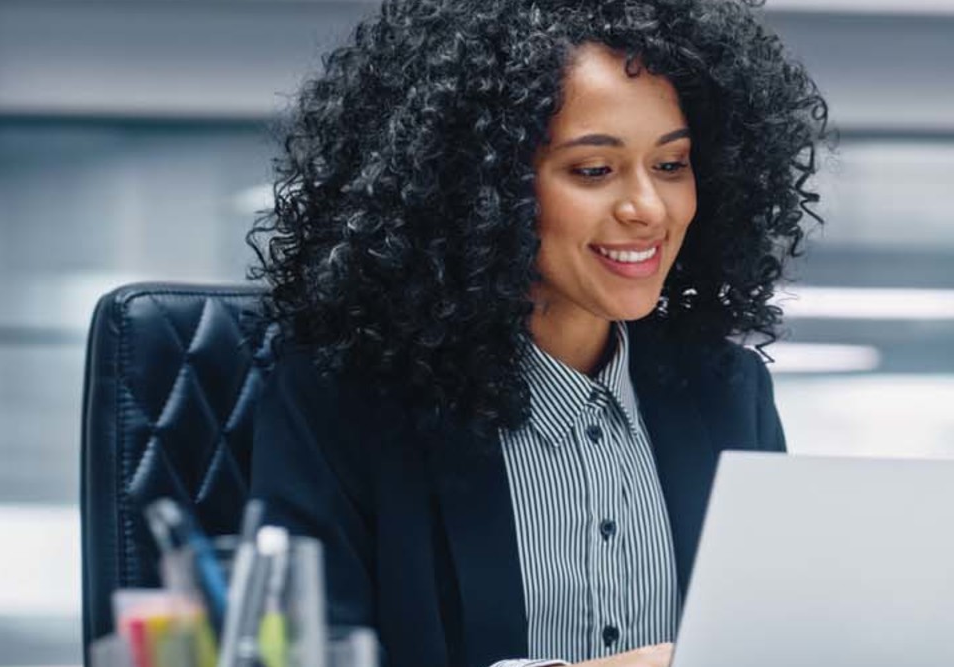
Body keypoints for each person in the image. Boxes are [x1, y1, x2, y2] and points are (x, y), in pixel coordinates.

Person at [243, 0, 830, 666]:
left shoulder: (728, 394)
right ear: (481, 185)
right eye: (593, 170)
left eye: (671, 165)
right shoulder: (345, 400)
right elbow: (296, 655)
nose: (647, 208)